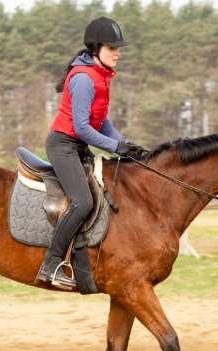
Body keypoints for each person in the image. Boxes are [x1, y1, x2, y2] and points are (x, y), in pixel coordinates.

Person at [36, 16, 148, 289]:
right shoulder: (85, 79)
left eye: (119, 49)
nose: (117, 53)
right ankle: (50, 265)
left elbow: (102, 122)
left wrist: (125, 144)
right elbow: (83, 128)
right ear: (96, 49)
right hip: (63, 146)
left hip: (77, 145)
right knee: (83, 202)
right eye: (113, 48)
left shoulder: (100, 76)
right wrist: (114, 146)